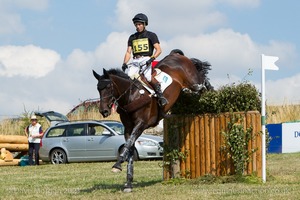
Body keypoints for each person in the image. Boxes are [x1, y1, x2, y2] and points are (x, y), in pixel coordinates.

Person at [121, 13, 168, 107]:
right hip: (135, 61)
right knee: (129, 78)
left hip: (146, 59)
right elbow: (128, 52)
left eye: (139, 24)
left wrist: (151, 59)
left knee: (148, 78)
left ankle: (160, 96)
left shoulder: (151, 35)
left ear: (144, 24)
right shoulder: (132, 37)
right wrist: (124, 63)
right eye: (136, 25)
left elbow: (159, 50)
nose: (137, 27)